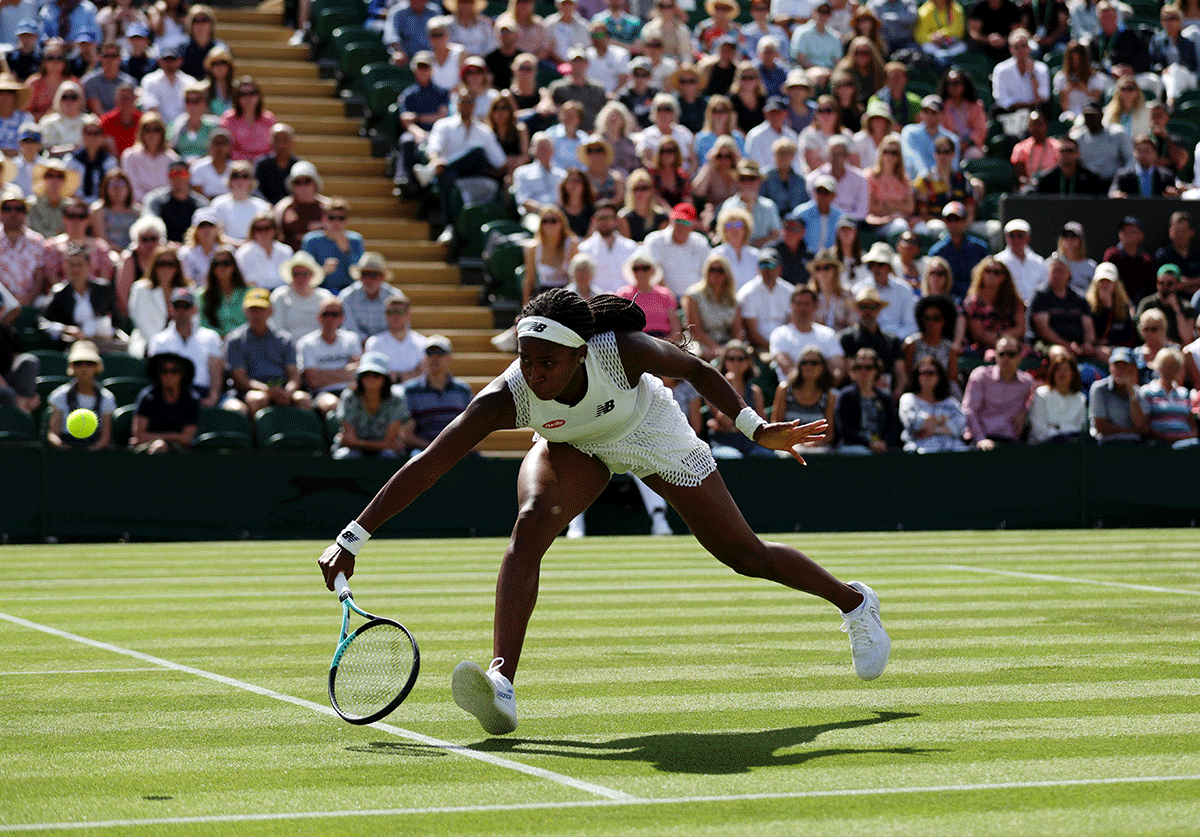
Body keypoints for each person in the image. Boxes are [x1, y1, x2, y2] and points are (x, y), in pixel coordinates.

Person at [317, 288, 892, 735]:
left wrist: (756, 427)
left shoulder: (624, 352)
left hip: (651, 431)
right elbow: (429, 464)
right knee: (532, 521)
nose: (535, 374)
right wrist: (352, 537)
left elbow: (694, 369)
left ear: (578, 351)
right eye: (526, 360)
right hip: (576, 446)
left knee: (745, 555)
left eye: (547, 362)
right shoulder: (508, 395)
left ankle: (855, 602)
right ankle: (502, 682)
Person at [223, 287, 311, 416]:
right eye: (253, 309)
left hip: (282, 389)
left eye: (261, 309)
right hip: (250, 391)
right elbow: (240, 379)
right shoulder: (235, 340)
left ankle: (302, 436)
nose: (257, 314)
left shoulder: (284, 339)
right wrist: (267, 390)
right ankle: (258, 436)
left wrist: (287, 392)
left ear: (270, 311)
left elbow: (293, 374)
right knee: (257, 399)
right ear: (245, 311)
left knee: (303, 399)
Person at [146, 287, 225, 407]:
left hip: (203, 393)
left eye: (186, 306)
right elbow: (158, 376)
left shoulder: (211, 337)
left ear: (194, 310)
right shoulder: (158, 340)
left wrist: (212, 398)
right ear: (170, 309)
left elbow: (216, 373)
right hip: (171, 396)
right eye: (177, 306)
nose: (181, 310)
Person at [331, 350, 411, 459]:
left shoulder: (396, 399)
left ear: (385, 378)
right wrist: (358, 444)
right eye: (365, 374)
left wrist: (357, 442)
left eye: (376, 374)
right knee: (347, 456)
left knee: (389, 456)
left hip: (385, 453)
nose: (370, 378)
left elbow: (390, 443)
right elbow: (349, 441)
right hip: (353, 451)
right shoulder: (349, 397)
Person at [962, 334, 1035, 448]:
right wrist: (981, 439)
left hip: (1010, 442)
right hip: (981, 441)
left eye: (1011, 354)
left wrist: (1024, 412)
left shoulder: (1027, 382)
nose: (1006, 358)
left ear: (1020, 357)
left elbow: (1030, 404)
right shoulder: (980, 376)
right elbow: (969, 410)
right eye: (1001, 354)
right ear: (996, 356)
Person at [297, 296, 361, 416]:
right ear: (319, 317)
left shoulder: (352, 339)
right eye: (326, 314)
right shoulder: (306, 343)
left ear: (342, 318)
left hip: (351, 391)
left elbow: (357, 373)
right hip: (322, 393)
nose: (330, 318)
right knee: (332, 405)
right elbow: (313, 381)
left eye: (334, 314)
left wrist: (323, 374)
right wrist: (345, 372)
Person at [46, 339, 114, 450]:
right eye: (78, 364)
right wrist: (65, 449)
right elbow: (53, 434)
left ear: (97, 366)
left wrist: (90, 452)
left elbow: (105, 438)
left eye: (89, 363)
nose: (84, 368)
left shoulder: (107, 398)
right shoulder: (60, 395)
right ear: (71, 367)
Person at [840, 284, 906, 397]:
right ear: (856, 309)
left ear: (879, 309)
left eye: (873, 307)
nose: (868, 311)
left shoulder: (892, 340)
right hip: (856, 398)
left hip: (886, 398)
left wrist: (896, 395)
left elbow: (901, 374)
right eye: (863, 307)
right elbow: (849, 373)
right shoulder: (847, 338)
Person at [129, 349, 199, 452]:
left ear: (183, 374)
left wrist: (165, 439)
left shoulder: (191, 399)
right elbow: (139, 435)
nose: (169, 375)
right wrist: (174, 436)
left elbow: (187, 439)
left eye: (175, 371)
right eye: (164, 371)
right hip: (146, 449)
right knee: (159, 446)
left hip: (180, 452)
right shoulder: (148, 397)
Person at [770, 283, 844, 378]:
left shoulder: (828, 334)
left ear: (816, 305)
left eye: (807, 303)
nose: (802, 308)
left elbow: (837, 368)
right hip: (791, 391)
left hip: (823, 389)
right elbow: (786, 367)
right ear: (791, 306)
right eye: (798, 304)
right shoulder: (779, 334)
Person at [770, 344, 836, 451]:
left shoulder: (829, 395)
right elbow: (776, 426)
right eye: (804, 363)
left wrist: (815, 443)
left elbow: (829, 435)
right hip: (788, 446)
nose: (809, 366)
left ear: (822, 367)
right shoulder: (785, 390)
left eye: (814, 363)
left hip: (817, 449)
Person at [127, 243, 189, 357]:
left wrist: (179, 345)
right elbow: (141, 321)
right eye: (161, 264)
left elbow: (192, 320)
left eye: (170, 264)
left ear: (177, 267)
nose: (166, 268)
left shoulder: (186, 290)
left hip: (182, 346)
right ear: (154, 266)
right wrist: (161, 345)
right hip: (148, 344)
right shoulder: (141, 289)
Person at [835, 347, 900, 453]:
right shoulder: (845, 396)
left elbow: (892, 427)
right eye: (859, 367)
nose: (863, 371)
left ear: (876, 370)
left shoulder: (885, 397)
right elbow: (844, 429)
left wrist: (884, 443)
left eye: (868, 367)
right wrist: (868, 444)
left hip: (882, 447)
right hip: (853, 448)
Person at [898, 356, 968, 452]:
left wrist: (934, 430)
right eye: (922, 373)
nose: (926, 377)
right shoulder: (908, 399)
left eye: (930, 373)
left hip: (954, 451)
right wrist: (942, 419)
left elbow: (960, 426)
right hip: (920, 452)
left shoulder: (950, 402)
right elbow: (913, 423)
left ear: (939, 376)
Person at [642, 203, 712, 299]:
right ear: (671, 220)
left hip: (696, 300)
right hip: (662, 299)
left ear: (694, 224)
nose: (680, 225)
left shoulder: (700, 242)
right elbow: (654, 273)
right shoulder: (654, 240)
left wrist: (692, 302)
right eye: (678, 220)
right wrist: (670, 299)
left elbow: (707, 273)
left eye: (686, 222)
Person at [962, 256, 1026, 359]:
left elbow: (1020, 329)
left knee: (1031, 355)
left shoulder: (1014, 300)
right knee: (993, 356)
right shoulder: (973, 302)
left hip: (1013, 345)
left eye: (996, 272)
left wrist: (1001, 338)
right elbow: (979, 335)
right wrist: (1000, 341)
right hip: (984, 348)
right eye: (988, 271)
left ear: (1003, 277)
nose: (991, 275)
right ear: (981, 274)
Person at [852, 241, 918, 340]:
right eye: (871, 264)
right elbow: (854, 322)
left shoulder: (904, 290)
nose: (875, 268)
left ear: (889, 267)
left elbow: (910, 324)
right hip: (865, 341)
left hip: (896, 343)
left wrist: (891, 340)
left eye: (880, 264)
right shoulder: (858, 289)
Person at [683, 253, 744, 361]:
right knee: (696, 356)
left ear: (727, 274)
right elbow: (695, 329)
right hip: (700, 342)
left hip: (726, 343)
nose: (715, 274)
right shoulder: (693, 296)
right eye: (712, 270)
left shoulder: (733, 300)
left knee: (739, 358)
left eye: (720, 270)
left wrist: (732, 348)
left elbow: (737, 331)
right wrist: (714, 347)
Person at [338, 252, 407, 344]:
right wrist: (367, 343)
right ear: (359, 276)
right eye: (364, 274)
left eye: (373, 274)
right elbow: (348, 327)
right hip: (356, 346)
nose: (368, 279)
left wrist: (378, 343)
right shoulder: (347, 296)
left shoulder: (395, 296)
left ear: (382, 277)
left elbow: (401, 325)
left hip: (388, 344)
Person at [927, 201, 989, 301]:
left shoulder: (980, 248)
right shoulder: (937, 251)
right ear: (944, 222)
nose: (953, 223)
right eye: (949, 219)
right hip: (946, 302)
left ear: (965, 221)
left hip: (976, 300)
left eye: (957, 219)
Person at [737, 248, 794, 353]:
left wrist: (783, 348)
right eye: (763, 265)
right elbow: (752, 333)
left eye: (771, 265)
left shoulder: (790, 291)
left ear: (779, 269)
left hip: (786, 347)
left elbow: (792, 324)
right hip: (758, 349)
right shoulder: (747, 293)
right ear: (757, 268)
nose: (767, 269)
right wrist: (774, 349)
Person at [363, 291, 427, 383]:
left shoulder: (423, 342)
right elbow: (374, 375)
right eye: (390, 312)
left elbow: (424, 372)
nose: (394, 316)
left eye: (399, 312)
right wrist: (410, 374)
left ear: (408, 315)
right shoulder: (374, 342)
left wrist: (395, 376)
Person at [1140, 347, 1198, 447]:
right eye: (1164, 365)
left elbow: (1192, 425)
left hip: (1186, 443)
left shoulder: (1184, 393)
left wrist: (1189, 436)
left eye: (1173, 366)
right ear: (1157, 366)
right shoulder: (1147, 392)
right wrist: (1166, 438)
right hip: (1160, 445)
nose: (1168, 370)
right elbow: (1144, 426)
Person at [576, 199, 637, 295]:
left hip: (626, 304)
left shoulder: (631, 247)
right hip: (595, 304)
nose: (605, 222)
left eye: (608, 218)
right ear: (594, 220)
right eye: (601, 218)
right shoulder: (584, 249)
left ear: (616, 220)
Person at [270, 251, 333, 342]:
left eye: (304, 273)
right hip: (289, 348)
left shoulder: (325, 296)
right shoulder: (280, 296)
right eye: (296, 274)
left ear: (312, 275)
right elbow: (277, 327)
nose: (300, 278)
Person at [1088, 345, 1146, 443]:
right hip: (1106, 445)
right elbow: (1101, 427)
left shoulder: (1139, 392)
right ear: (1110, 367)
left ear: (1132, 368)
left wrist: (1131, 392)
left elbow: (1141, 425)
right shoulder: (1099, 388)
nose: (1120, 370)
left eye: (1125, 365)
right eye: (1117, 365)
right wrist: (1132, 431)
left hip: (1134, 445)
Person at [1028, 347, 1086, 443]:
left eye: (1066, 370)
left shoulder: (1080, 398)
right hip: (1043, 449)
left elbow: (1079, 428)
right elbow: (1039, 431)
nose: (1061, 373)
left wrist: (1057, 428)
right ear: (1052, 373)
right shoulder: (1041, 394)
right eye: (1058, 370)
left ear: (1073, 373)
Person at [143, 159, 209, 243]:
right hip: (162, 250)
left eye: (182, 174)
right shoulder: (156, 201)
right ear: (168, 176)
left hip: (193, 250)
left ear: (189, 176)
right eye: (174, 174)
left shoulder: (201, 204)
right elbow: (150, 225)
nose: (178, 178)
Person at [904, 293, 959, 388]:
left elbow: (952, 380)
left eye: (936, 318)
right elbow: (907, 377)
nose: (931, 323)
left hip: (942, 394)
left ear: (945, 321)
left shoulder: (950, 349)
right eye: (927, 318)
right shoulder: (911, 344)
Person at [1135, 264, 1197, 348]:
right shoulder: (1146, 304)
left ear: (1178, 284)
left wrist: (1176, 308)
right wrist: (1166, 343)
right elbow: (1141, 333)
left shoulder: (1186, 306)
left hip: (1178, 351)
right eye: (1161, 283)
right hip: (1151, 348)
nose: (1165, 287)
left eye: (1170, 283)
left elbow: (1188, 339)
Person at [1087, 261, 1138, 353]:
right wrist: (1106, 309)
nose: (1105, 285)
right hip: (1097, 350)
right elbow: (1095, 335)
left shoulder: (1125, 305)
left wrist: (1110, 341)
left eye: (1108, 281)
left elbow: (1129, 336)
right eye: (1101, 281)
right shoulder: (1088, 306)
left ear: (1115, 284)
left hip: (1120, 350)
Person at [197, 245, 247, 336]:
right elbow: (203, 325)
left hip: (244, 343)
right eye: (216, 263)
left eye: (226, 263)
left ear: (234, 266)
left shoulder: (247, 292)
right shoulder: (202, 295)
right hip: (214, 343)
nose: (221, 267)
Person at [1102, 216, 1154, 304]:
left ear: (1141, 236)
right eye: (1124, 231)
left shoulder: (1146, 260)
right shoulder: (1112, 255)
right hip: (1115, 303)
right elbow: (1105, 285)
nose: (1128, 234)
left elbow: (1151, 289)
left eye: (1132, 231)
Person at [235, 211, 292, 290]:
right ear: (253, 231)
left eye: (267, 228)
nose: (263, 232)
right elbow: (245, 281)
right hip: (256, 295)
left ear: (275, 229)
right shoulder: (243, 253)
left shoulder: (286, 251)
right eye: (258, 229)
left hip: (282, 294)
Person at [1110, 134, 1180, 199]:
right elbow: (1113, 192)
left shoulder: (1167, 176)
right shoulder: (1123, 176)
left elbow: (1174, 196)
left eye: (1147, 151)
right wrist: (1116, 194)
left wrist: (1173, 194)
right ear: (1134, 153)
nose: (1143, 155)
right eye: (1139, 151)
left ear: (1154, 153)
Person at [1010, 110, 1059, 190]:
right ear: (1029, 127)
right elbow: (1020, 177)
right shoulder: (1020, 148)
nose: (1037, 128)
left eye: (1039, 124)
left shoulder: (1057, 146)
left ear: (1046, 125)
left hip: (1051, 188)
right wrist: (1032, 182)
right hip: (1030, 189)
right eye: (1033, 125)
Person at [253, 123, 299, 206]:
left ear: (293, 142)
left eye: (285, 140)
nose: (281, 145)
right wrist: (267, 205)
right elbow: (256, 189)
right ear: (271, 142)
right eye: (277, 140)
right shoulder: (261, 164)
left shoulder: (299, 165)